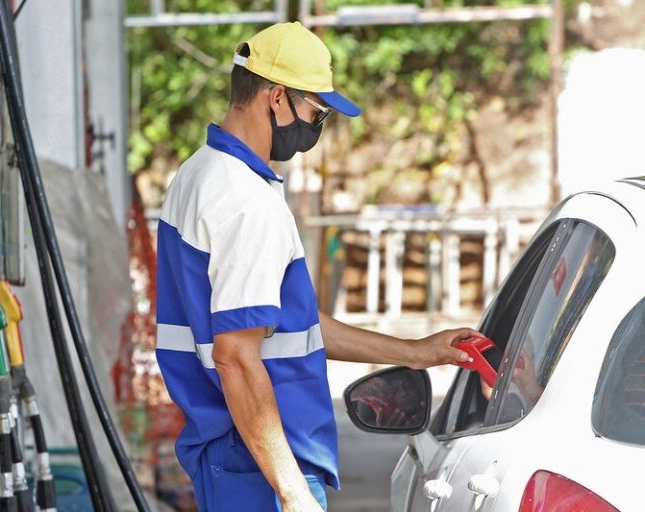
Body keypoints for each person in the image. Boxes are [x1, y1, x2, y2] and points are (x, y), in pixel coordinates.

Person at [155, 22, 479, 512]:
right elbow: (237, 357)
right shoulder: (246, 202)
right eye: (316, 109)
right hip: (261, 463)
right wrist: (292, 492)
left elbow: (288, 328)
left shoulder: (199, 174)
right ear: (277, 97)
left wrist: (414, 353)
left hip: (236, 453)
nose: (317, 125)